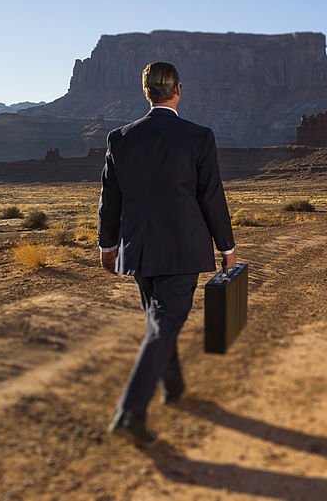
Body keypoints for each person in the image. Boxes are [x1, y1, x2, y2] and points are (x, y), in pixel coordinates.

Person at [98, 61, 236, 447]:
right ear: (177, 89)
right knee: (163, 325)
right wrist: (227, 246)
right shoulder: (198, 137)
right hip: (181, 250)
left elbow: (110, 199)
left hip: (139, 250)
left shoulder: (120, 138)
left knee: (160, 323)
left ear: (147, 92)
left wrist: (108, 246)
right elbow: (211, 196)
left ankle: (173, 387)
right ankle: (130, 412)